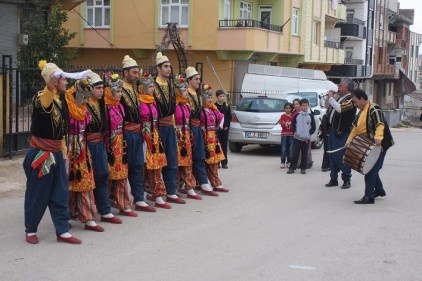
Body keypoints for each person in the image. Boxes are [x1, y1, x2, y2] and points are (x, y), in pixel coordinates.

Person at [23, 60, 88, 244]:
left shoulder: (62, 100)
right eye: (63, 79)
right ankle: (30, 230)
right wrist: (49, 84)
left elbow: (76, 115)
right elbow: (45, 100)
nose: (66, 82)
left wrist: (83, 85)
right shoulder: (41, 97)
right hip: (42, 154)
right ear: (54, 81)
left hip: (57, 152)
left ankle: (62, 230)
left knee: (60, 192)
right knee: (38, 193)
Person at [65, 78, 104, 232]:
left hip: (82, 149)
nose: (85, 97)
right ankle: (65, 216)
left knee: (86, 181)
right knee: (68, 184)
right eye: (82, 93)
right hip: (69, 150)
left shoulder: (84, 111)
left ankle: (88, 217)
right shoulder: (67, 109)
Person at [85, 71, 122, 225]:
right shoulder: (84, 105)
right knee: (87, 180)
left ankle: (105, 211)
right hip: (87, 145)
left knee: (102, 175)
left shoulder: (102, 104)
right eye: (97, 88)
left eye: (102, 87)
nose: (101, 90)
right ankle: (87, 215)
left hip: (100, 144)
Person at [120, 55, 155, 212]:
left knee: (137, 165)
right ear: (125, 72)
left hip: (137, 132)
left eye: (137, 72)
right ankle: (122, 202)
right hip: (124, 133)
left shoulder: (133, 89)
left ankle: (139, 198)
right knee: (122, 168)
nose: (137, 75)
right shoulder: (118, 89)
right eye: (134, 72)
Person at [347, 89, 394, 204]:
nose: (355, 104)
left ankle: (369, 196)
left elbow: (380, 124)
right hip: (370, 144)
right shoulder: (362, 111)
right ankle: (379, 190)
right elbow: (355, 128)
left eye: (356, 101)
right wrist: (349, 142)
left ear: (362, 99)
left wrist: (378, 137)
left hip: (380, 144)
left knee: (370, 170)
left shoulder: (374, 108)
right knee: (373, 169)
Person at [153, 52, 186, 205]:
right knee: (158, 161)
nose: (168, 69)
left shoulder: (171, 86)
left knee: (172, 159)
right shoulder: (152, 85)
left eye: (169, 66)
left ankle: (171, 191)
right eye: (165, 66)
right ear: (158, 68)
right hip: (157, 126)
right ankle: (158, 193)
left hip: (169, 126)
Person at [104, 74, 137, 217]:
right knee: (108, 176)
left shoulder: (120, 108)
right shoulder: (105, 108)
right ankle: (105, 205)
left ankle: (124, 204)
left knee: (122, 174)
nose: (120, 94)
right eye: (117, 91)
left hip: (120, 143)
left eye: (120, 91)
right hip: (109, 145)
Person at [138, 73, 170, 209]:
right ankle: (143, 194)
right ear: (143, 88)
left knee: (156, 165)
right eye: (150, 86)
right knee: (145, 166)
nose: (153, 89)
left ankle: (157, 194)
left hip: (155, 135)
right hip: (144, 137)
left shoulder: (154, 101)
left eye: (153, 86)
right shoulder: (139, 102)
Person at [186, 66, 218, 197]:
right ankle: (187, 185)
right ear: (189, 80)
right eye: (196, 79)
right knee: (186, 158)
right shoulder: (186, 94)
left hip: (198, 127)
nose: (199, 81)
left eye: (199, 79)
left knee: (200, 155)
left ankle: (203, 182)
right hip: (188, 128)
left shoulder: (198, 95)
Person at [325, 77, 357, 189]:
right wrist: (329, 99)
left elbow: (339, 109)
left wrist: (331, 98)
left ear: (347, 88)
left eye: (340, 86)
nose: (338, 87)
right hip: (333, 131)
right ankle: (333, 178)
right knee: (332, 156)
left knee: (341, 157)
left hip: (343, 133)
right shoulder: (340, 98)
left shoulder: (351, 99)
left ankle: (346, 179)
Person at [174, 75, 202, 200]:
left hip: (186, 134)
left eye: (186, 89)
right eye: (183, 90)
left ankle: (189, 186)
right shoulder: (174, 105)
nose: (186, 92)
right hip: (178, 135)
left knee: (187, 161)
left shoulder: (186, 105)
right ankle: (175, 187)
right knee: (176, 162)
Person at [200, 84, 229, 192]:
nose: (210, 99)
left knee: (214, 161)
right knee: (203, 161)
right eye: (208, 97)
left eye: (211, 97)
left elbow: (222, 117)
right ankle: (201, 183)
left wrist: (218, 127)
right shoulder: (201, 110)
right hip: (203, 137)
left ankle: (215, 182)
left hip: (213, 138)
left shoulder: (213, 109)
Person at [287, 98, 316, 174]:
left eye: (306, 105)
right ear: (300, 106)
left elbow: (314, 127)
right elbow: (293, 125)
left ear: (308, 105)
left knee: (304, 154)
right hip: (297, 138)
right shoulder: (297, 115)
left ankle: (303, 168)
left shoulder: (310, 116)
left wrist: (309, 133)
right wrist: (294, 132)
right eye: (303, 105)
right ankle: (292, 168)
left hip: (306, 139)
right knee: (295, 154)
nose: (305, 107)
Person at [215, 89, 232, 169]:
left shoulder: (227, 106)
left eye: (223, 96)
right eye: (220, 96)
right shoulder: (214, 106)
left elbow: (229, 117)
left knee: (224, 145)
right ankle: (217, 162)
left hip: (225, 129)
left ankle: (224, 162)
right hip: (217, 129)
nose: (222, 98)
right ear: (217, 97)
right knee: (217, 145)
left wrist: (227, 125)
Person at [279, 102, 293, 168]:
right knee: (283, 149)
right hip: (284, 135)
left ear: (291, 109)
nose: (288, 109)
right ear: (284, 109)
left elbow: (293, 124)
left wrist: (287, 123)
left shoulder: (293, 116)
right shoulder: (282, 116)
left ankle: (289, 162)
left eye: (289, 108)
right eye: (286, 108)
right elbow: (282, 124)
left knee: (290, 149)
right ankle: (282, 162)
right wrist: (288, 123)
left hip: (291, 135)